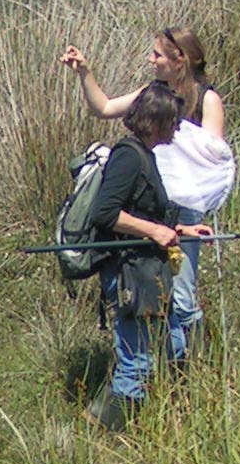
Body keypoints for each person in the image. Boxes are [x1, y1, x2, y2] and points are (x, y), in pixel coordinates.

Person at [61, 27, 228, 355]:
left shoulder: (207, 98)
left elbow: (211, 160)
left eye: (157, 55)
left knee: (181, 295)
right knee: (154, 291)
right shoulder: (153, 94)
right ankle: (153, 363)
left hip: (185, 209)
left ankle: (191, 366)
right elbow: (105, 107)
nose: (150, 60)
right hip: (150, 206)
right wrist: (85, 73)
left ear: (180, 60)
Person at [82, 82, 213, 431]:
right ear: (156, 121)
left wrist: (183, 231)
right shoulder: (128, 156)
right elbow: (105, 213)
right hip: (128, 273)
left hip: (146, 270)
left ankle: (137, 417)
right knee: (137, 362)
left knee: (172, 341)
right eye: (174, 121)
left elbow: (145, 212)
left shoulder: (146, 155)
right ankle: (111, 433)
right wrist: (155, 232)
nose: (178, 129)